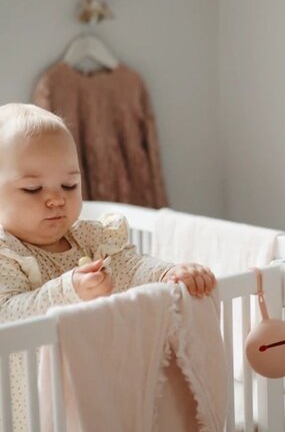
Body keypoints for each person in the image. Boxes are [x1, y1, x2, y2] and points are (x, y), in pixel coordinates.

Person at [0, 102, 216, 325]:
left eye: (69, 185)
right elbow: (6, 315)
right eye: (33, 189)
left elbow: (131, 268)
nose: (57, 199)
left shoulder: (90, 239)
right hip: (37, 361)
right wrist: (68, 291)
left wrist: (167, 273)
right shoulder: (6, 254)